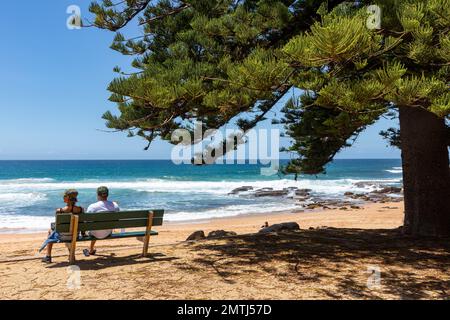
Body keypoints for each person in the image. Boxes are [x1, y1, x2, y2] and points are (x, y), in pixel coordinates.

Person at [40, 189, 84, 263]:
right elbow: (82, 223)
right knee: (70, 231)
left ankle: (48, 256)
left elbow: (58, 225)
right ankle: (71, 255)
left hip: (63, 236)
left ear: (67, 198)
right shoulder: (81, 209)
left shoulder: (60, 211)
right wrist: (83, 234)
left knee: (50, 231)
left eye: (64, 196)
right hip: (75, 235)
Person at [84, 186, 120, 256]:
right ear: (107, 194)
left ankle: (91, 250)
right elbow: (117, 220)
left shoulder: (92, 206)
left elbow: (87, 221)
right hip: (108, 232)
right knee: (97, 226)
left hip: (95, 233)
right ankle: (91, 249)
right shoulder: (115, 205)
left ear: (98, 195)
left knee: (95, 227)